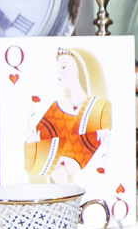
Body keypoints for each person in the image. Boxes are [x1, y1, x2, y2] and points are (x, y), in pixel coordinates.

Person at [23, 46, 112, 184]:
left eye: (63, 67)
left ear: (79, 69)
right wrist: (33, 142)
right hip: (55, 161)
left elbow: (100, 137)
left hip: (79, 159)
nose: (57, 72)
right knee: (56, 171)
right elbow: (38, 141)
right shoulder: (56, 106)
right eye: (59, 67)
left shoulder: (98, 106)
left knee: (59, 172)